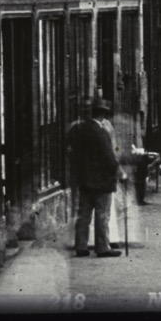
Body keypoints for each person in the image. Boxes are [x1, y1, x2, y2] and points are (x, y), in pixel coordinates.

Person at [69, 96, 123, 257]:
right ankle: (102, 247)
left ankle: (81, 246)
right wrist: (119, 172)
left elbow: (72, 153)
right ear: (103, 115)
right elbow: (109, 158)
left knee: (83, 215)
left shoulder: (79, 129)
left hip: (84, 180)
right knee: (102, 215)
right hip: (102, 182)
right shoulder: (102, 133)